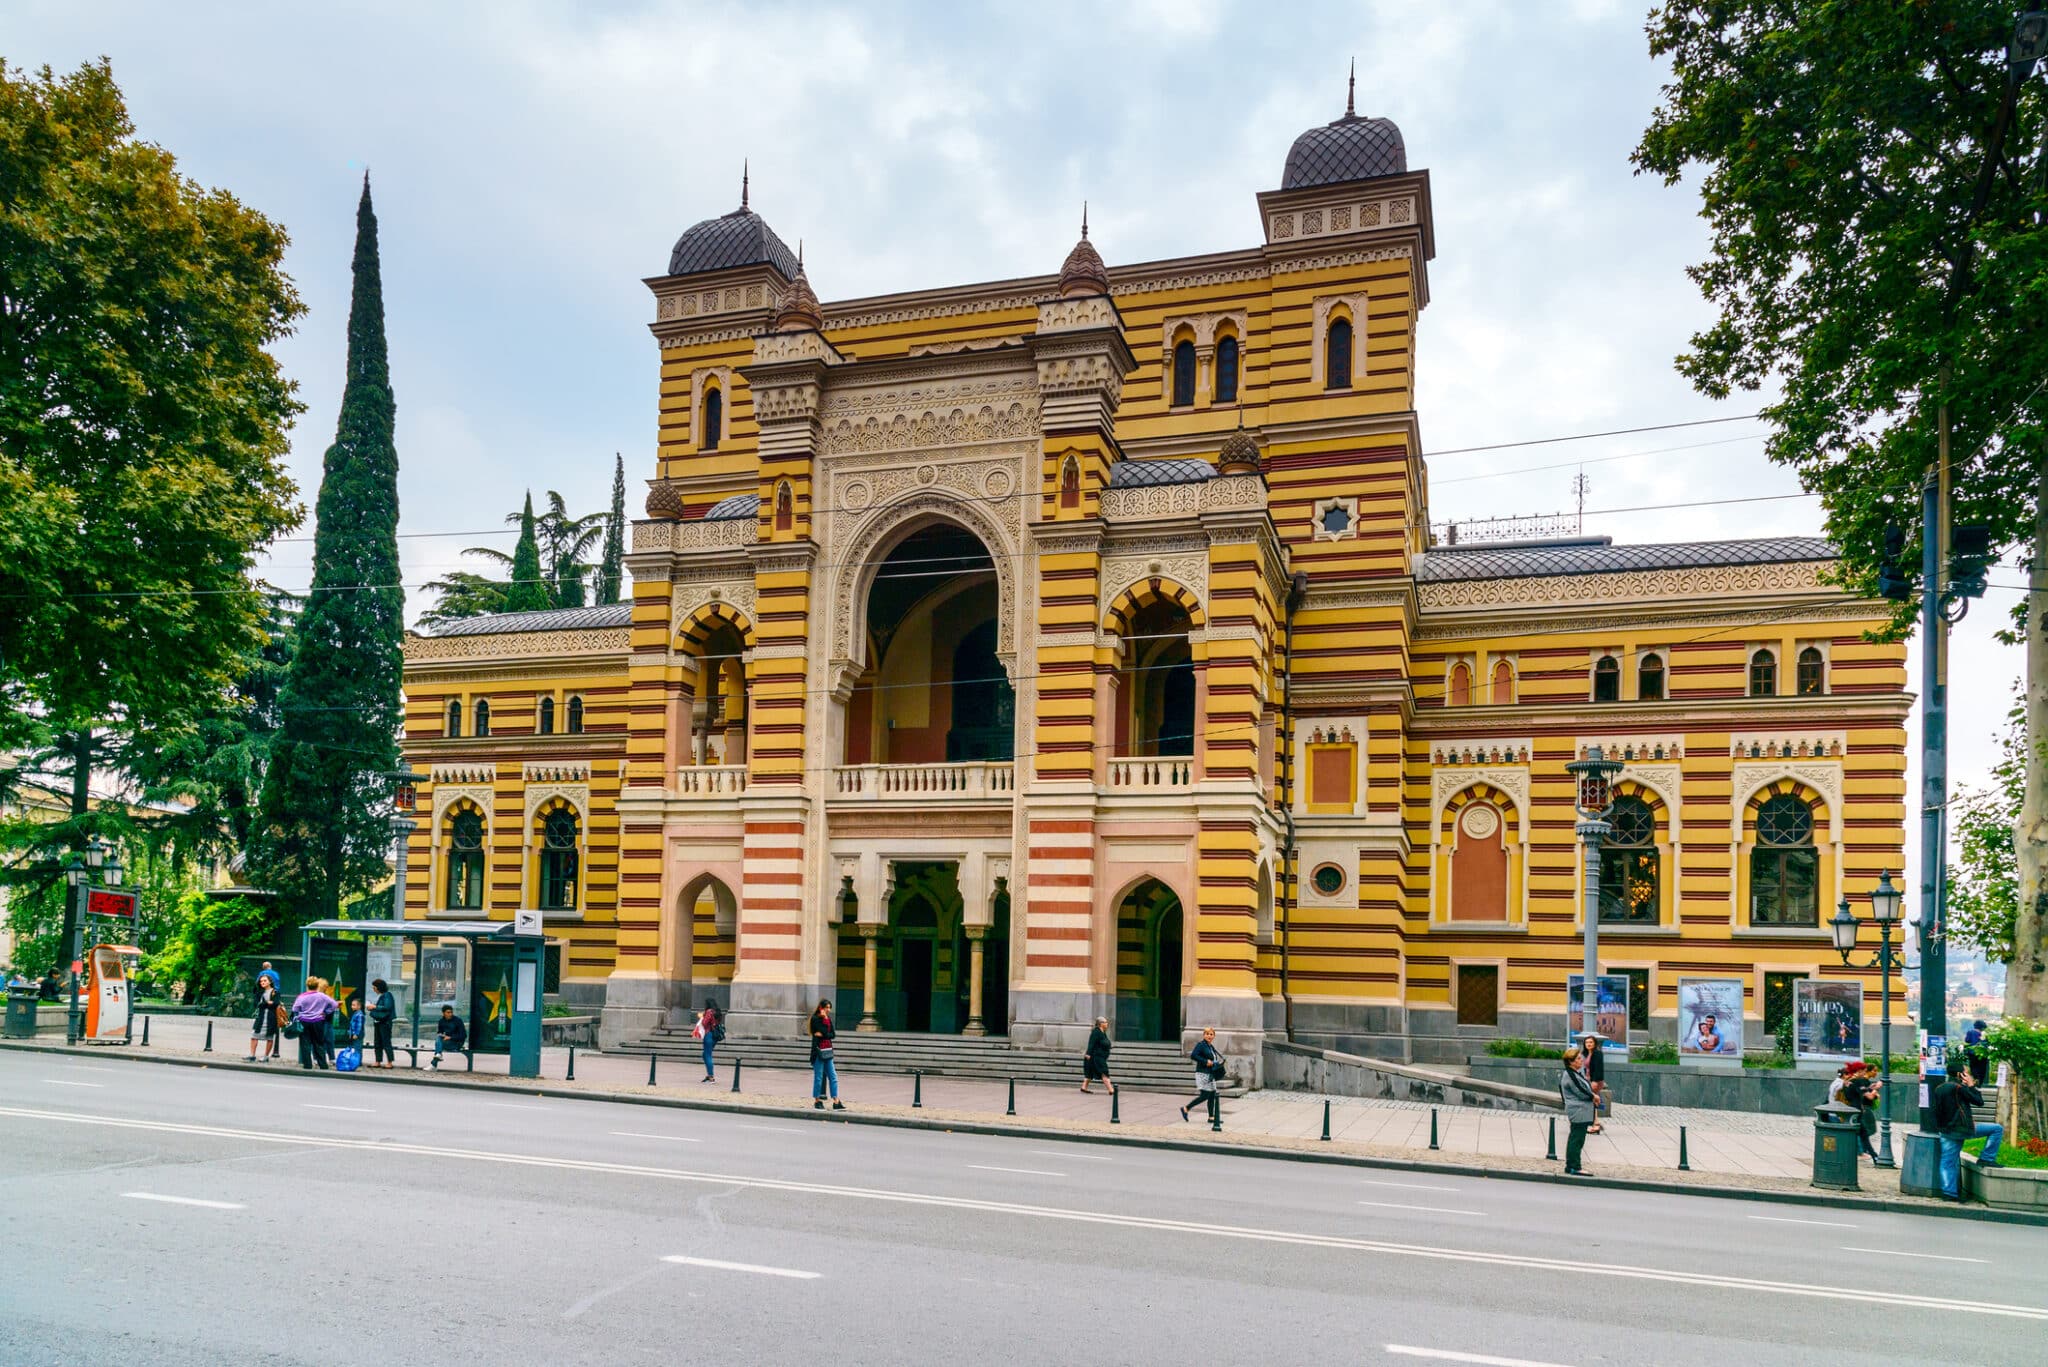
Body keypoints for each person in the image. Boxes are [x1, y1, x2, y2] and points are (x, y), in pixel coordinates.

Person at [1933, 1061, 2003, 1200]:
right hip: (1962, 1129)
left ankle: (1949, 1193)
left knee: (1947, 1161)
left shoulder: (1939, 1088)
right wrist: (1971, 1085)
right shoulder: (1959, 1088)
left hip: (1946, 1131)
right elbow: (1979, 1101)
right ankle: (1986, 1158)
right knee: (1996, 1129)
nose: (1968, 1074)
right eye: (1966, 1072)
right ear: (1960, 1074)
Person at [1559, 1044, 1597, 1175]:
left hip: (1579, 1110)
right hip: (1578, 1110)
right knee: (1577, 1139)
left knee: (1576, 1138)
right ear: (1571, 1061)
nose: (1581, 1061)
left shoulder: (1574, 1073)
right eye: (1579, 1059)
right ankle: (1574, 1166)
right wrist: (1593, 1096)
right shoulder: (1570, 1075)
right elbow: (1580, 1090)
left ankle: (1571, 1165)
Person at [291, 976, 338, 1071]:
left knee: (305, 1044)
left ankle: (307, 1065)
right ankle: (323, 1065)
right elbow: (334, 1004)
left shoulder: (302, 996)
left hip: (304, 1021)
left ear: (307, 985)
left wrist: (302, 1013)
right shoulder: (322, 996)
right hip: (318, 1021)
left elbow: (295, 1009)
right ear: (317, 985)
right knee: (319, 1043)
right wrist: (325, 1012)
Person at [1180, 1026, 1225, 1123]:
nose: (1209, 1036)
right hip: (1202, 1073)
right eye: (1207, 1034)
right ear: (1204, 1035)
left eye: (1211, 1034)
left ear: (1214, 1036)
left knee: (1212, 1094)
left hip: (1210, 1073)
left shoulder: (1211, 1047)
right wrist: (1205, 1061)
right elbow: (1194, 1055)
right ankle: (1186, 1108)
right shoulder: (1201, 1045)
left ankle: (1211, 1117)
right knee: (1205, 1095)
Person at [809, 999, 843, 1110]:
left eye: (829, 1007)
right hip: (818, 1052)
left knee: (833, 1077)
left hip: (828, 1051)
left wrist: (824, 1032)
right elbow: (823, 1030)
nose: (828, 1010)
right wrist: (824, 1021)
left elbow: (832, 1034)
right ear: (821, 1008)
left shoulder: (828, 1019)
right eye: (826, 1007)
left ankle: (836, 1101)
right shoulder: (815, 1019)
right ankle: (817, 1101)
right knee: (818, 1078)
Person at [246, 973, 281, 1062]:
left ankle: (266, 1056)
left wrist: (264, 1004)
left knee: (269, 1037)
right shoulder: (259, 992)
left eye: (265, 980)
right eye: (261, 981)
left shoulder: (275, 992)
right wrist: (267, 1003)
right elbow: (256, 1004)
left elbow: (276, 1003)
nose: (262, 982)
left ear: (270, 982)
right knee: (254, 1036)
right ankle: (252, 1055)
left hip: (271, 1018)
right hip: (260, 1017)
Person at [1578, 1031, 1608, 1133]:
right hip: (1588, 1080)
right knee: (1592, 1101)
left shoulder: (1597, 1054)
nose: (1589, 1044)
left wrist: (1595, 1081)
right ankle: (1595, 1123)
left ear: (1594, 1043)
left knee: (1592, 1100)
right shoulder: (1585, 1054)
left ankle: (1595, 1123)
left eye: (1591, 1042)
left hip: (1595, 1081)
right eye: (1587, 1043)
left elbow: (1599, 1069)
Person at [367, 978, 397, 1069]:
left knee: (386, 1042)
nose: (373, 989)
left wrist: (374, 1007)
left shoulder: (387, 995)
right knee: (377, 1042)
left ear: (378, 987)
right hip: (378, 1021)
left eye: (374, 987)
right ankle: (378, 1061)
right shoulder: (380, 996)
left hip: (385, 1022)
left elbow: (387, 1007)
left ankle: (390, 1062)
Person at [1082, 1016, 1115, 1095]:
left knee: (1089, 1073)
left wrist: (1109, 1046)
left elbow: (1103, 1042)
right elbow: (1091, 1043)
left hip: (1100, 1055)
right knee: (1104, 1071)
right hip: (1096, 1056)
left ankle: (1084, 1087)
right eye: (1105, 1022)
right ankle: (1111, 1090)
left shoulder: (1103, 1031)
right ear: (1101, 1024)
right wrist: (1088, 1054)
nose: (1107, 1024)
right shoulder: (1096, 1032)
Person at [694, 999, 724, 1083]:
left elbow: (704, 1023)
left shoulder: (709, 1011)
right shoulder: (717, 1011)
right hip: (715, 1036)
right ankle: (709, 1075)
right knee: (705, 1055)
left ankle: (711, 1077)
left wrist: (702, 1017)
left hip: (709, 1035)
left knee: (707, 1055)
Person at [430, 1005, 467, 1069]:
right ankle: (437, 1056)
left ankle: (435, 1063)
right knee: (439, 1039)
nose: (450, 1014)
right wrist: (441, 1035)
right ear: (443, 1013)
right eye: (448, 1012)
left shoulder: (458, 1020)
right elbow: (440, 1032)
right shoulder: (441, 1021)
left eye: (451, 1012)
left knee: (438, 1043)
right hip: (447, 1042)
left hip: (457, 1044)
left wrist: (450, 1037)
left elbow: (463, 1035)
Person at [1963, 1020, 1991, 1091]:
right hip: (1982, 1054)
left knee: (1973, 1067)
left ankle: (1975, 1080)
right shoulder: (1984, 1034)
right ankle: (1980, 1082)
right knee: (1982, 1068)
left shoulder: (1970, 1032)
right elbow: (1987, 1043)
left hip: (1972, 1053)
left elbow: (1967, 1040)